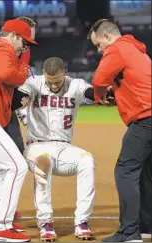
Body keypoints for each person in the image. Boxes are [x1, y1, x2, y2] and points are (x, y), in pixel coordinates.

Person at [15, 57, 97, 241]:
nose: (52, 86)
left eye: (57, 81)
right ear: (44, 75)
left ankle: (82, 221)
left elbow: (89, 92)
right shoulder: (34, 83)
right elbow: (20, 95)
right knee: (43, 162)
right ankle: (45, 222)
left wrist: (102, 93)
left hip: (64, 147)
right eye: (49, 81)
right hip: (36, 146)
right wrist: (20, 100)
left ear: (65, 74)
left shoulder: (74, 84)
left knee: (87, 160)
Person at [87, 19, 151, 242]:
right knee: (145, 173)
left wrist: (99, 95)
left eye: (98, 45)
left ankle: (129, 233)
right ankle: (146, 226)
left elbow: (99, 79)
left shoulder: (117, 48)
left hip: (146, 119)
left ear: (107, 37)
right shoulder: (137, 50)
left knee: (125, 171)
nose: (99, 50)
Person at [0, 18, 37, 242]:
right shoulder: (3, 46)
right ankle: (0, 227)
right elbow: (7, 74)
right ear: (13, 35)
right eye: (24, 41)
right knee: (16, 165)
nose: (24, 46)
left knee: (2, 168)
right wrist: (23, 68)